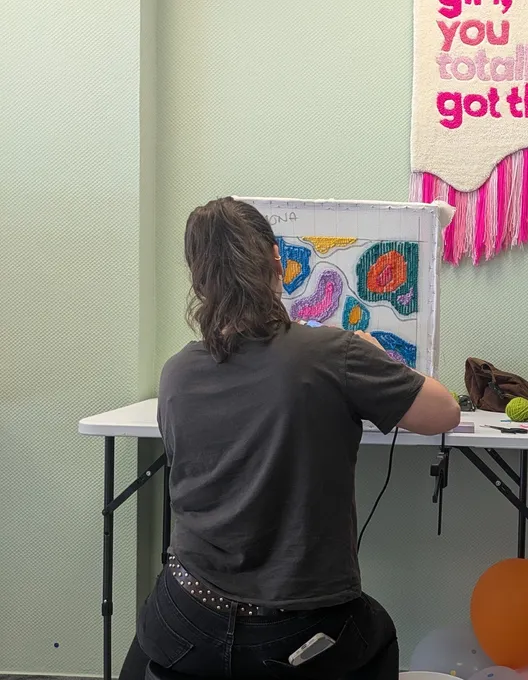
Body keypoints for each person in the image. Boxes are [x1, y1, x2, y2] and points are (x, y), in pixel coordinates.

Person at [120, 197, 461, 680]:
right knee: (377, 632)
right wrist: (374, 353)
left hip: (186, 616)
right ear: (278, 263)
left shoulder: (176, 372)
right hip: (296, 631)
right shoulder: (333, 352)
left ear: (198, 282)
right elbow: (444, 412)